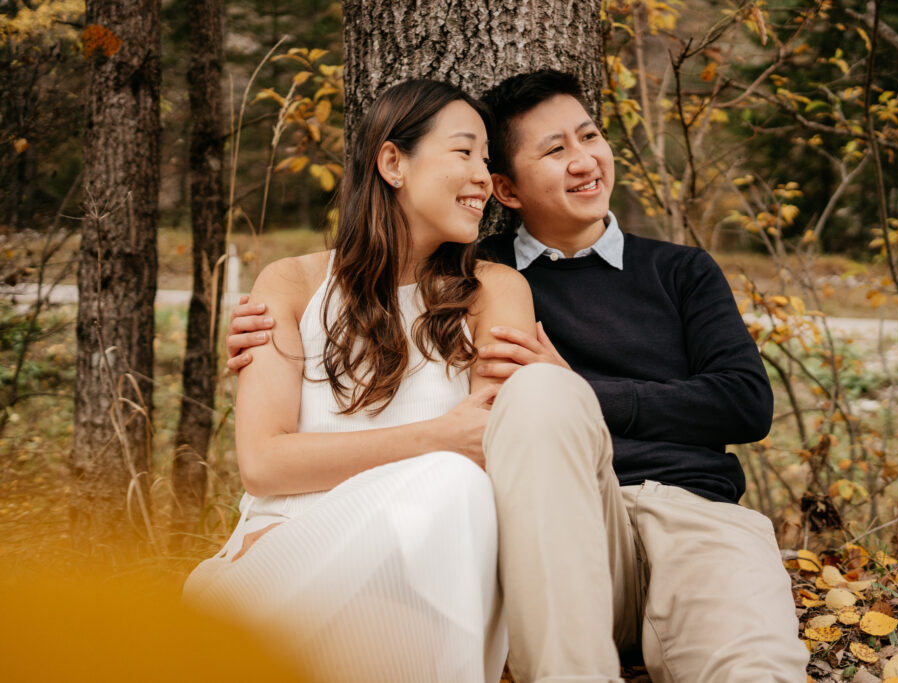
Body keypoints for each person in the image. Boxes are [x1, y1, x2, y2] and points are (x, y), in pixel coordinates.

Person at [227, 71, 810, 683]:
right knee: (534, 398)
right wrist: (266, 346)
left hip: (693, 513)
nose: (584, 160)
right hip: (565, 523)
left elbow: (746, 402)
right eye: (555, 150)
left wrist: (582, 394)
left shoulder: (673, 271)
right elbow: (458, 432)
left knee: (753, 670)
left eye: (590, 137)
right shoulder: (471, 277)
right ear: (507, 190)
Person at [185, 79, 535, 683]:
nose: (484, 176)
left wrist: (452, 445)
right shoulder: (292, 285)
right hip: (285, 570)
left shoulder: (494, 291)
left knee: (459, 489)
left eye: (487, 158)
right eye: (464, 152)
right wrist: (436, 438)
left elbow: (487, 445)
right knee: (452, 478)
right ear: (393, 161)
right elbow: (264, 465)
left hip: (420, 594)